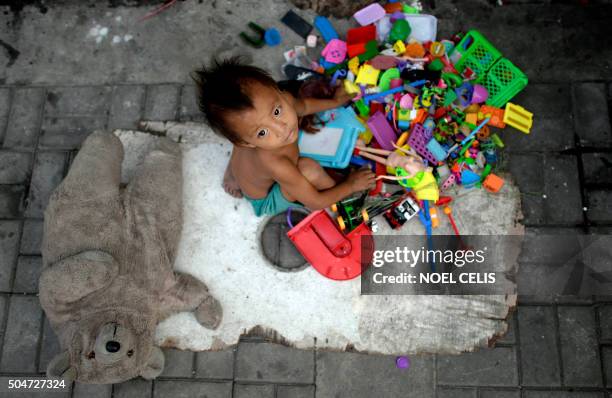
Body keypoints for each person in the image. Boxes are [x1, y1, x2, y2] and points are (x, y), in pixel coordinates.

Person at [193, 57, 376, 216]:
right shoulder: (276, 163)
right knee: (308, 169)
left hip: (248, 159)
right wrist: (351, 185)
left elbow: (303, 106)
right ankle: (344, 204)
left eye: (277, 111)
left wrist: (335, 102)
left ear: (278, 91)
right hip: (265, 200)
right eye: (263, 132)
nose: (281, 128)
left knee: (242, 138)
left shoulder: (282, 104)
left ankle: (234, 174)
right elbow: (316, 202)